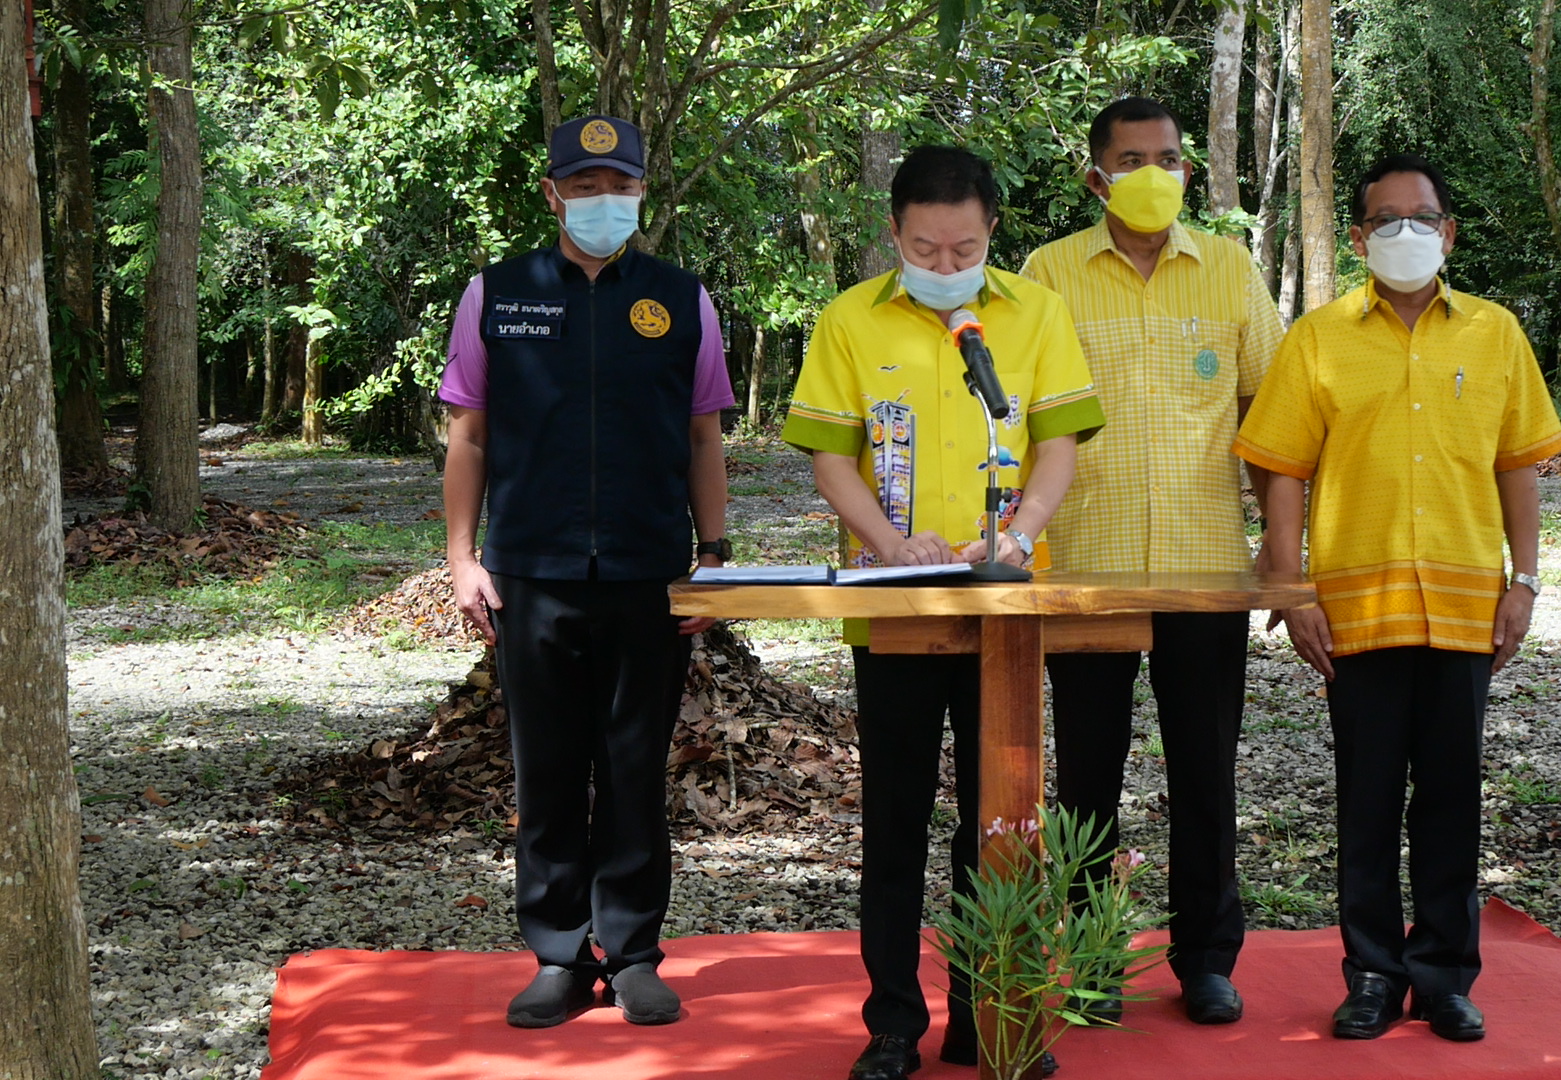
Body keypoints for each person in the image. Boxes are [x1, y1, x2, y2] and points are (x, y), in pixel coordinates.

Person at [781, 145, 1105, 1080]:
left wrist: (1020, 533)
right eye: (925, 247)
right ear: (894, 232)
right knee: (896, 816)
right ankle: (892, 1024)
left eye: (964, 247)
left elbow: (1056, 444)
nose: (945, 262)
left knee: (997, 821)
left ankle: (986, 1010)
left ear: (992, 231)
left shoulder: (1035, 313)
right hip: (895, 602)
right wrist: (891, 544)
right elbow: (831, 456)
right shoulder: (850, 318)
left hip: (1003, 600)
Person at [1234, 154, 1561, 1043]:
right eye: (1386, 219)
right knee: (1369, 799)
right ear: (1358, 238)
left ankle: (1446, 976)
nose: (1405, 232)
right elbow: (1281, 470)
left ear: (1449, 233)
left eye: (1422, 217)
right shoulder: (1318, 340)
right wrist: (1291, 588)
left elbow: (1519, 466)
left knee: (1453, 797)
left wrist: (1525, 582)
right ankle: (1374, 975)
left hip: (1465, 608)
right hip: (1358, 613)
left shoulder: (1496, 334)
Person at [438, 114, 735, 1029]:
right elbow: (469, 433)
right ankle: (559, 957)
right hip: (532, 573)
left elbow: (704, 436)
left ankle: (634, 953)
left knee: (637, 768)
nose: (605, 200)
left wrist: (714, 558)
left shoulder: (682, 300)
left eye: (621, 185)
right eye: (586, 184)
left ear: (643, 190)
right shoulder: (497, 294)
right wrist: (461, 556)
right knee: (549, 772)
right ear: (553, 193)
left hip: (649, 573)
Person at [1020, 96, 1284, 1026]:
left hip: (1205, 567)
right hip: (1083, 565)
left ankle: (1205, 957)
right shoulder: (1048, 273)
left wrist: (1282, 548)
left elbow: (1270, 416)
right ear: (1096, 178)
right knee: (1087, 774)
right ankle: (1092, 956)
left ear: (1187, 171)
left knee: (1206, 770)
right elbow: (1015, 417)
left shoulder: (1230, 269)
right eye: (1131, 160)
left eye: (1167, 158)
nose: (1152, 174)